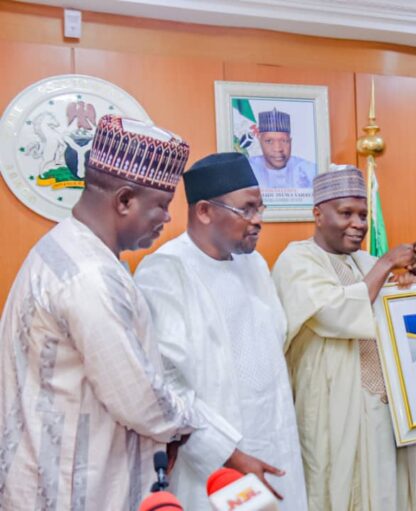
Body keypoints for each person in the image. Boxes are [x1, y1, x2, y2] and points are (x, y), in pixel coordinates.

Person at [0, 115, 239, 510]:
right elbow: (140, 401)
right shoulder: (89, 276)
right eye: (161, 206)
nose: (166, 219)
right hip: (71, 488)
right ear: (124, 200)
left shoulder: (66, 246)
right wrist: (192, 421)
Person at [134, 152, 308, 510]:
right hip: (215, 464)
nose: (258, 221)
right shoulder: (167, 271)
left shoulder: (255, 264)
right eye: (246, 209)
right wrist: (228, 454)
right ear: (204, 211)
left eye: (261, 208)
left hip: (274, 443)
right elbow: (168, 386)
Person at [271, 165, 416, 511]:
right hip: (331, 406)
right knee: (336, 489)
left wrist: (411, 277)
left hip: (381, 405)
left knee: (386, 492)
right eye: (346, 213)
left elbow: (391, 309)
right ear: (318, 214)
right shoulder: (296, 260)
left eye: (364, 215)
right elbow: (334, 312)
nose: (358, 223)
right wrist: (386, 265)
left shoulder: (363, 260)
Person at [248, 108, 316, 188]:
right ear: (260, 141)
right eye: (269, 141)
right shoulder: (248, 169)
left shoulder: (308, 170)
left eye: (284, 141)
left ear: (290, 141)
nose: (278, 149)